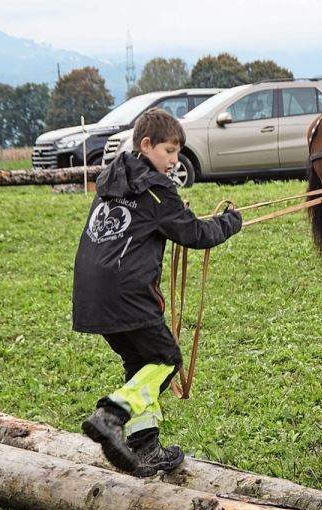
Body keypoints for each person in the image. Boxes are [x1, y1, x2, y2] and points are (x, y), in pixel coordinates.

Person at [73, 109, 242, 477]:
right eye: (168, 150)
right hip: (127, 294)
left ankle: (145, 447)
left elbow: (158, 219)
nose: (174, 159)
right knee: (166, 358)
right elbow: (196, 234)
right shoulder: (155, 188)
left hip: (92, 297)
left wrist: (175, 213)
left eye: (178, 152)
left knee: (140, 365)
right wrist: (230, 222)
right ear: (145, 145)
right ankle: (112, 415)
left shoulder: (114, 180)